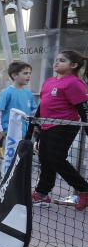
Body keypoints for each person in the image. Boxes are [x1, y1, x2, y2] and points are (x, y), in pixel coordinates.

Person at [30, 50, 88, 210]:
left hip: (65, 126)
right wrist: (36, 123)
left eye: (62, 60)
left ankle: (84, 189)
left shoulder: (74, 83)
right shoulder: (49, 82)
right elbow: (43, 104)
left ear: (74, 65)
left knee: (56, 159)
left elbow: (83, 107)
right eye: (56, 60)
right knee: (45, 159)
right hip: (47, 125)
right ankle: (42, 194)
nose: (56, 63)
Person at [0, 61, 35, 143]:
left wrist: (35, 126)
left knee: (22, 155)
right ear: (14, 75)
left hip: (25, 134)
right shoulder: (6, 92)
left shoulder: (29, 93)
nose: (29, 76)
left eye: (30, 73)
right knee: (11, 156)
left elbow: (33, 111)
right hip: (9, 134)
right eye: (25, 73)